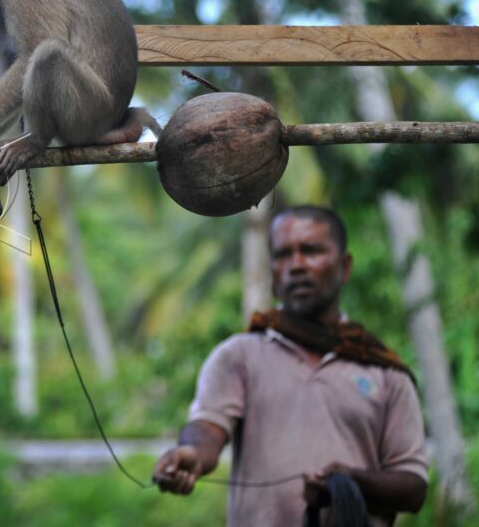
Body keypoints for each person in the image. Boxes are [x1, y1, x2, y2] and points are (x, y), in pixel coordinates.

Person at [152, 206, 427, 526]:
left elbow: (413, 488)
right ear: (272, 273)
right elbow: (208, 428)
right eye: (283, 254)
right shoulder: (239, 356)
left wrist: (350, 482)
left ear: (345, 266)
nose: (296, 265)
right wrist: (192, 455)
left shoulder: (385, 371)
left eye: (311, 251)